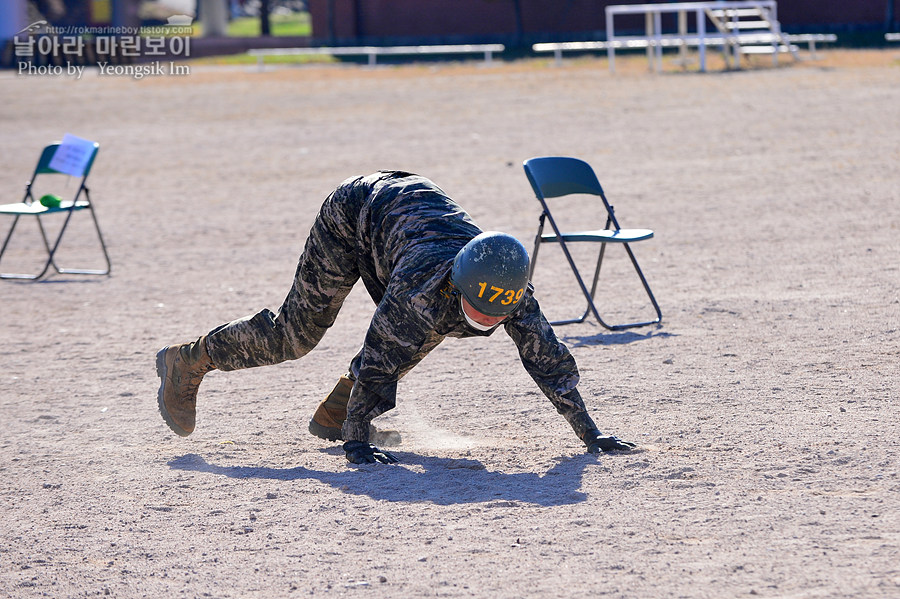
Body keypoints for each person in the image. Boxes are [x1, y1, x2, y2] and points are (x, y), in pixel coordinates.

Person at [156, 171, 636, 464]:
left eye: (496, 312)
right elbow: (383, 353)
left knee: (426, 328)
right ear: (459, 282)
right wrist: (358, 443)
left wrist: (589, 432)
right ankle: (188, 360)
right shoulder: (420, 292)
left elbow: (547, 359)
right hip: (355, 213)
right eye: (476, 306)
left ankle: (334, 414)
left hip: (406, 225)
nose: (484, 319)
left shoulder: (512, 290)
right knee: (296, 336)